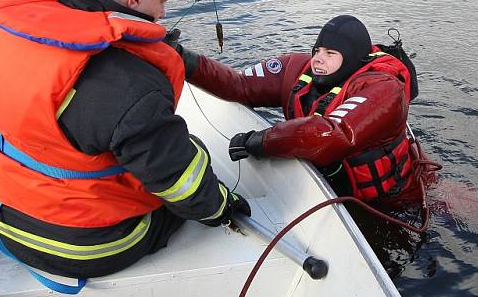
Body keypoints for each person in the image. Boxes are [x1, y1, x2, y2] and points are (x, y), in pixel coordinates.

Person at [0, 0, 250, 289]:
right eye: (164, 1)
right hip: (82, 244)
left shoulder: (21, 22)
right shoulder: (130, 87)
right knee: (190, 157)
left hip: (4, 209)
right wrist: (220, 206)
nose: (165, 12)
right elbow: (179, 183)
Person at [177, 14, 437, 206]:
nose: (318, 59)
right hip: (332, 187)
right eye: (317, 50)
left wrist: (260, 141)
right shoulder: (297, 69)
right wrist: (181, 59)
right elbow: (239, 85)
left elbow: (332, 135)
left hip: (394, 202)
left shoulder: (383, 89)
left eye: (330, 53)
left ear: (353, 58)